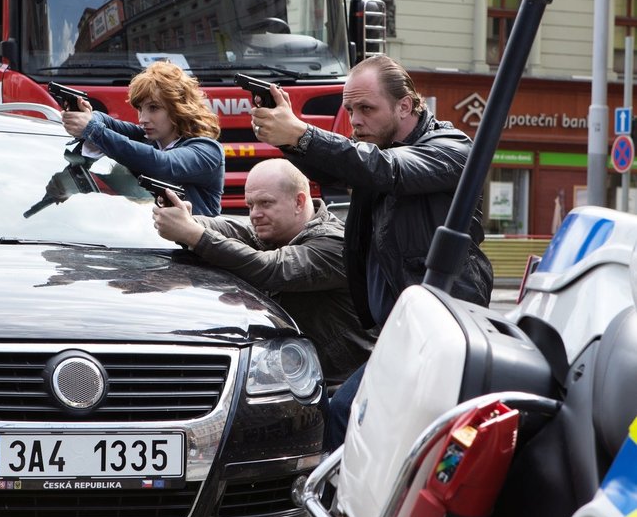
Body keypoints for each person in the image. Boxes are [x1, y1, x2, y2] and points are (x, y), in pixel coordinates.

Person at [251, 54, 493, 450]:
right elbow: (341, 168)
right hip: (401, 333)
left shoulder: (451, 148)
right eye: (349, 110)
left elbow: (386, 170)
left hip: (440, 333)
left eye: (366, 108)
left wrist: (302, 135)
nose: (355, 120)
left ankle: (336, 506)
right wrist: (287, 139)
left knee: (349, 414)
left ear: (406, 104)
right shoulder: (375, 149)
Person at [151, 158, 376, 386]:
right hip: (299, 379)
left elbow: (270, 268)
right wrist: (186, 220)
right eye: (250, 205)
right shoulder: (277, 232)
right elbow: (232, 230)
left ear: (299, 202)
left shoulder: (335, 244)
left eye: (265, 203)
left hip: (345, 386)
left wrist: (194, 235)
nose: (254, 214)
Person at [61, 61, 225, 215]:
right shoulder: (145, 137)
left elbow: (161, 164)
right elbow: (103, 120)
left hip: (194, 245)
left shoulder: (208, 150)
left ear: (179, 108)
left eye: (153, 108)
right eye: (140, 109)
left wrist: (92, 129)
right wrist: (85, 117)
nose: (143, 118)